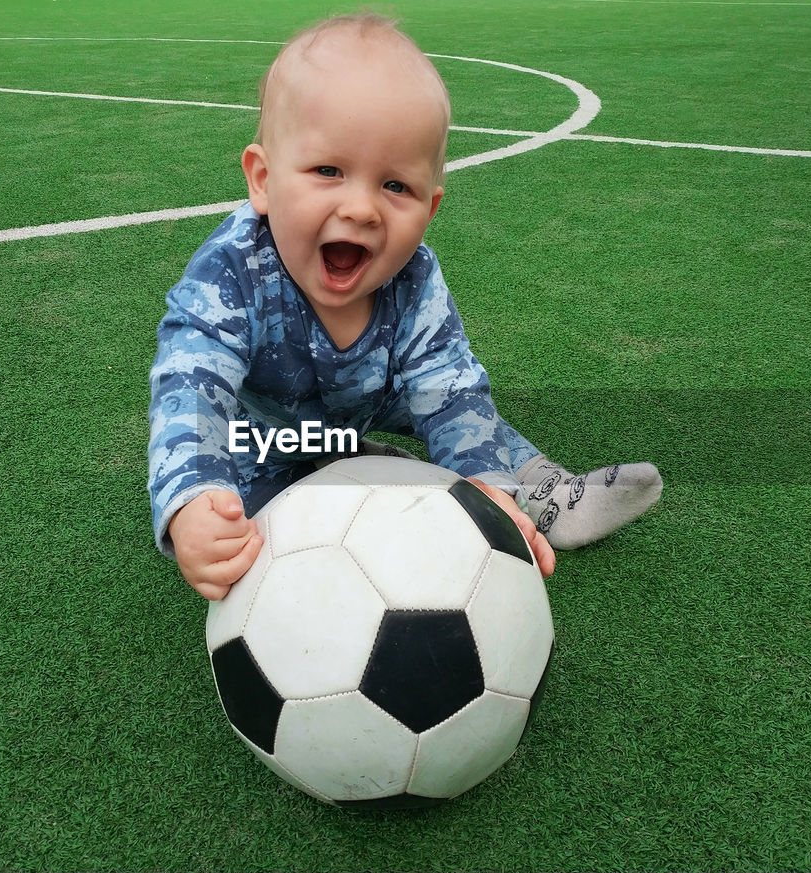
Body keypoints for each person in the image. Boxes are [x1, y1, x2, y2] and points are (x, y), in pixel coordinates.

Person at [147, 13, 662, 600]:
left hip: (381, 393)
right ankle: (339, 460)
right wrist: (192, 499)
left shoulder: (415, 277)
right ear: (263, 180)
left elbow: (448, 386)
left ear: (430, 208)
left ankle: (544, 492)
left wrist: (484, 487)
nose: (363, 208)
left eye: (396, 186)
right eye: (328, 171)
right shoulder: (232, 269)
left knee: (467, 417)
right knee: (262, 526)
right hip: (268, 431)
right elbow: (190, 384)